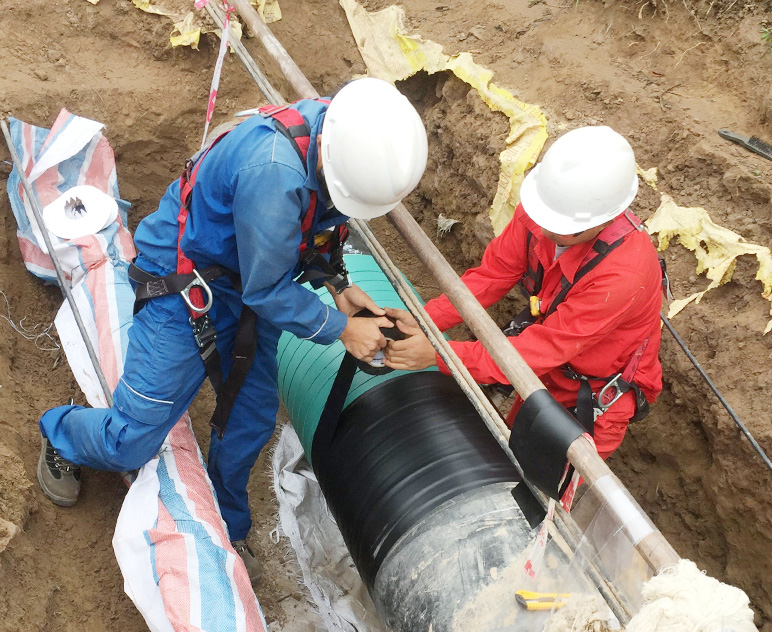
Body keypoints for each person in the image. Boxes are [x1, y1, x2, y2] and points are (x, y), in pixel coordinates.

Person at [37, 77, 428, 584]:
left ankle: (226, 523)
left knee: (249, 420)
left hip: (245, 281)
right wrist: (341, 330)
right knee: (132, 441)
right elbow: (268, 291)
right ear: (333, 163)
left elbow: (315, 229)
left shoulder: (349, 137)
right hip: (186, 285)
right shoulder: (274, 172)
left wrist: (336, 284)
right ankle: (61, 435)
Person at [384, 125, 662, 461]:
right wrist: (426, 322)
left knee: (547, 485)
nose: (546, 229)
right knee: (509, 455)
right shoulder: (544, 209)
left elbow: (543, 347)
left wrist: (440, 355)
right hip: (545, 374)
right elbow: (492, 275)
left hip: (593, 397)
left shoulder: (623, 274)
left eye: (563, 227)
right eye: (545, 217)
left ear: (606, 219)